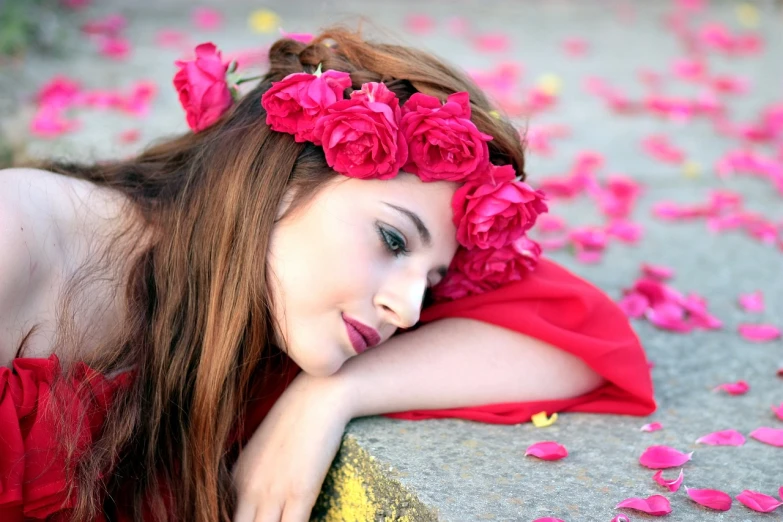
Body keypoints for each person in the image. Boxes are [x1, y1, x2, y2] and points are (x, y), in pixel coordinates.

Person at [0, 27, 655, 522]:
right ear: (279, 178)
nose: (406, 310)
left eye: (431, 281)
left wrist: (330, 397)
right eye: (394, 239)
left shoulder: (263, 318)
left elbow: (581, 338)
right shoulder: (19, 239)